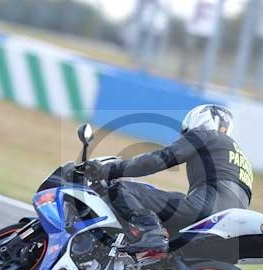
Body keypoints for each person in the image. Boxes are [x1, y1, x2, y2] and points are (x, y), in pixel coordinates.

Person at [84, 104, 253, 254]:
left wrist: (109, 170)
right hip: (230, 222)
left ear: (201, 121)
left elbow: (160, 159)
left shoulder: (206, 135)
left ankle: (151, 232)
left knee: (121, 189)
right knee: (172, 198)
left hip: (204, 208)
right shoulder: (242, 158)